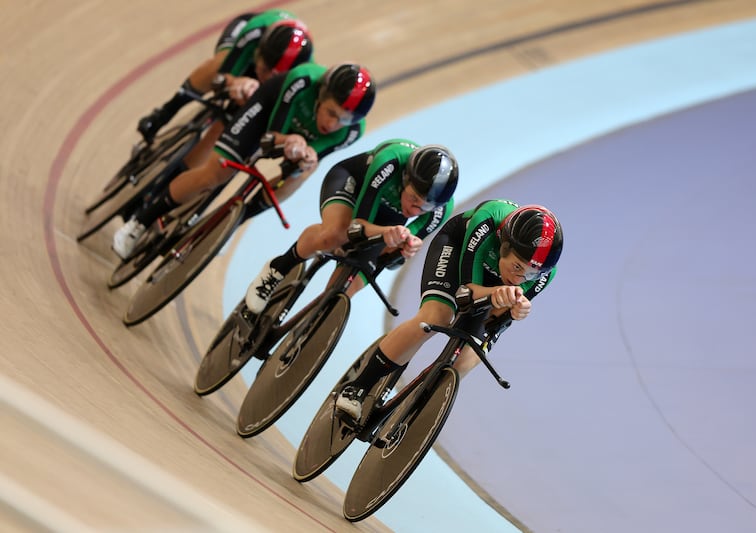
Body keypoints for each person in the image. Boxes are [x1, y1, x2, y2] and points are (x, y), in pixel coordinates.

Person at [112, 62, 376, 260]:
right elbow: (269, 138)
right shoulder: (303, 81)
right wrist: (289, 141)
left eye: (344, 119)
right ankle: (140, 221)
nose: (333, 124)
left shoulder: (353, 131)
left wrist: (304, 158)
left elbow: (313, 155)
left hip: (294, 139)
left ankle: (232, 222)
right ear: (321, 95)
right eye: (331, 113)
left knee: (302, 173)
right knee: (214, 174)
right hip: (266, 116)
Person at [335, 200, 564, 420]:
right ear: (504, 246)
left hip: (491, 286)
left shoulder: (545, 273)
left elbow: (498, 321)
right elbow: (465, 294)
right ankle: (358, 387)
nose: (519, 278)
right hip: (457, 252)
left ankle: (412, 413)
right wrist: (494, 295)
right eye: (516, 266)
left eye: (530, 274)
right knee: (437, 316)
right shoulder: (488, 219)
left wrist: (516, 311)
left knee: (470, 355)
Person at [244, 139, 460, 314]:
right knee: (336, 235)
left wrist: (406, 247)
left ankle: (314, 323)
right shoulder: (391, 162)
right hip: (354, 187)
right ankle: (277, 269)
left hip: (385, 220)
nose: (415, 211)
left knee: (350, 286)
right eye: (413, 199)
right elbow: (357, 226)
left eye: (424, 208)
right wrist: (386, 233)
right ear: (405, 179)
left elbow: (393, 257)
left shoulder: (441, 209)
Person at [136, 9, 314, 144]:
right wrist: (233, 81)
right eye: (264, 67)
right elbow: (222, 76)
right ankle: (162, 114)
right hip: (242, 40)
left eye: (272, 74)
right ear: (260, 51)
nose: (264, 75)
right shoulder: (255, 33)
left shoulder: (301, 74)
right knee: (218, 66)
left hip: (271, 67)